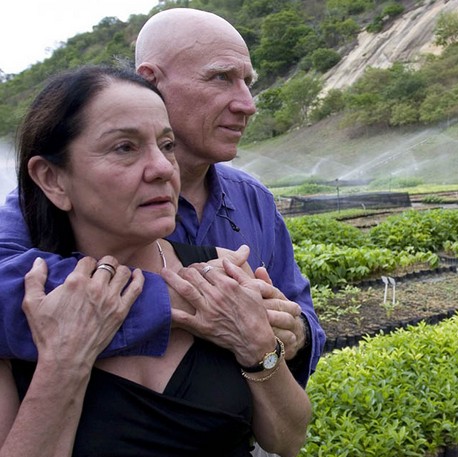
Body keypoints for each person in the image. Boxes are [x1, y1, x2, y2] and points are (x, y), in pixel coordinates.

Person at [0, 8, 324, 388]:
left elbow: (304, 316)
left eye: (247, 82)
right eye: (221, 77)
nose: (247, 103)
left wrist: (295, 331)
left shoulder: (254, 200)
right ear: (150, 82)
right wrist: (187, 298)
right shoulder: (55, 198)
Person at [0, 65, 311, 456]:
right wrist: (64, 366)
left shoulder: (224, 272)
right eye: (124, 148)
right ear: (52, 179)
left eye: (166, 146)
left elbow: (288, 439)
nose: (164, 168)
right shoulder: (24, 312)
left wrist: (259, 349)